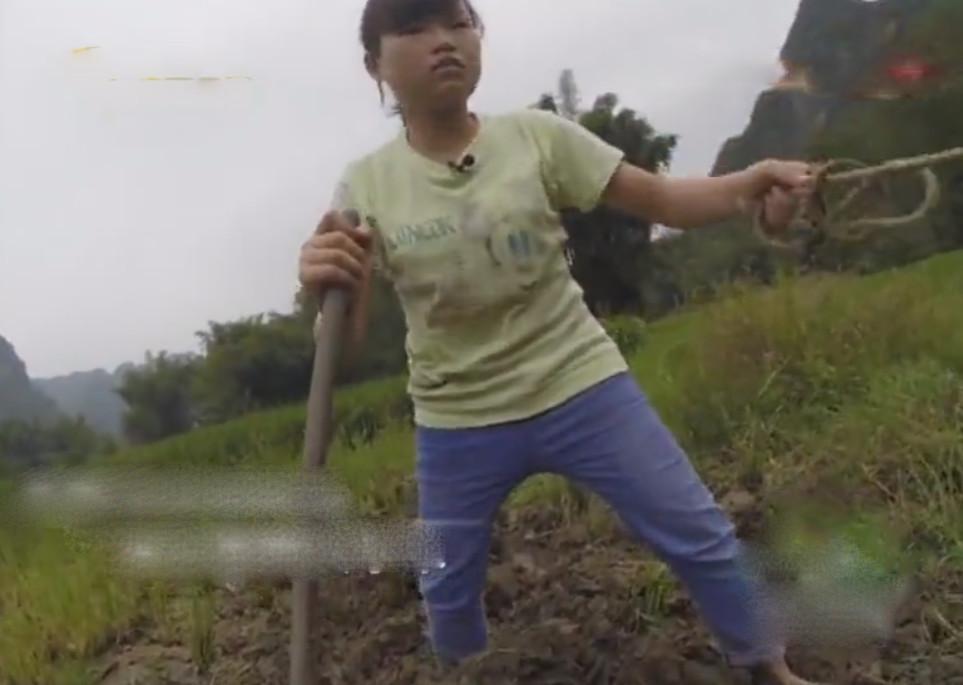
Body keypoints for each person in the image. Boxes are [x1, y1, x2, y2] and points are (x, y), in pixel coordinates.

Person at [298, 1, 819, 683]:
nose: (444, 42)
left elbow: (662, 200)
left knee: (701, 535)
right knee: (446, 590)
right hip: (459, 417)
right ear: (375, 66)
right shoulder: (366, 186)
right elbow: (347, 335)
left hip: (581, 384)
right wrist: (323, 284)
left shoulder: (537, 138)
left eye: (458, 23)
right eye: (414, 29)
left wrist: (747, 185)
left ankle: (764, 666)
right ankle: (468, 674)